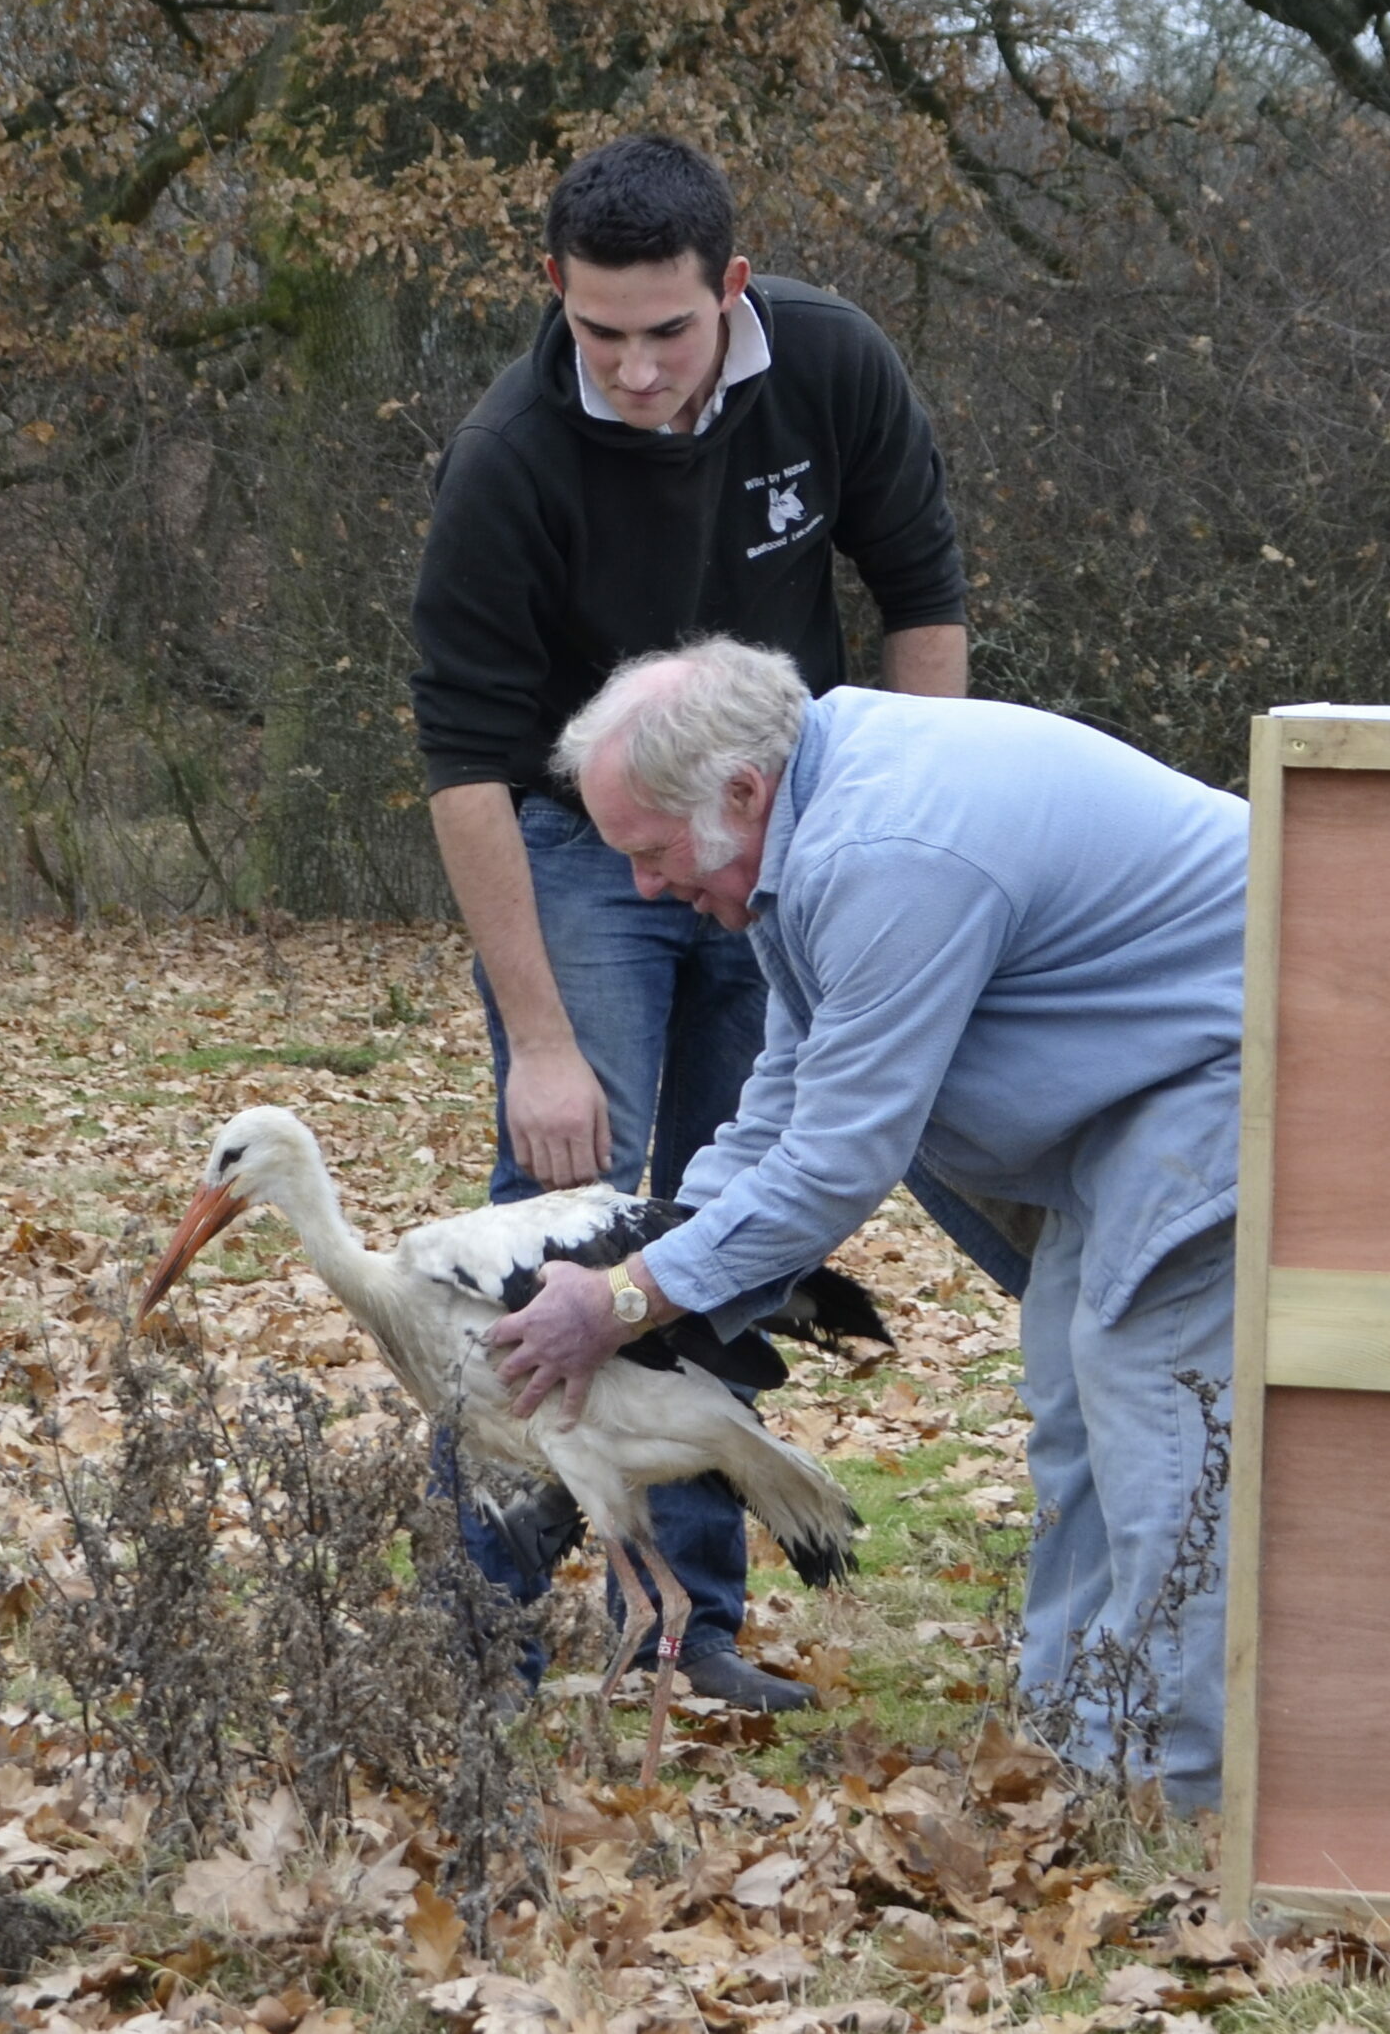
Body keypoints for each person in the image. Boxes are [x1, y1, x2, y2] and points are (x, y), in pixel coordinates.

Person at [484, 640, 1247, 1810]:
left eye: (649, 851)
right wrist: (638, 1257)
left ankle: (1170, 1792)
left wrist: (633, 1301)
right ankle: (1074, 1744)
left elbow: (842, 1158)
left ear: (740, 792)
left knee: (1149, 1411)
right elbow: (781, 1103)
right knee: (1073, 1409)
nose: (643, 888)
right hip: (1124, 1109)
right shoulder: (812, 817)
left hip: (1230, 1069)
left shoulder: (884, 851)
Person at [410, 136, 969, 1710]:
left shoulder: (835, 364)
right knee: (556, 1222)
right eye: (600, 333)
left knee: (731, 1233)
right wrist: (538, 1038)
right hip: (581, 854)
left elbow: (920, 597)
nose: (638, 367)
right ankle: (484, 1632)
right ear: (553, 297)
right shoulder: (509, 457)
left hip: (789, 832)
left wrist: (903, 832)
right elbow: (461, 760)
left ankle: (686, 1630)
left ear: (732, 286)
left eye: (670, 328)